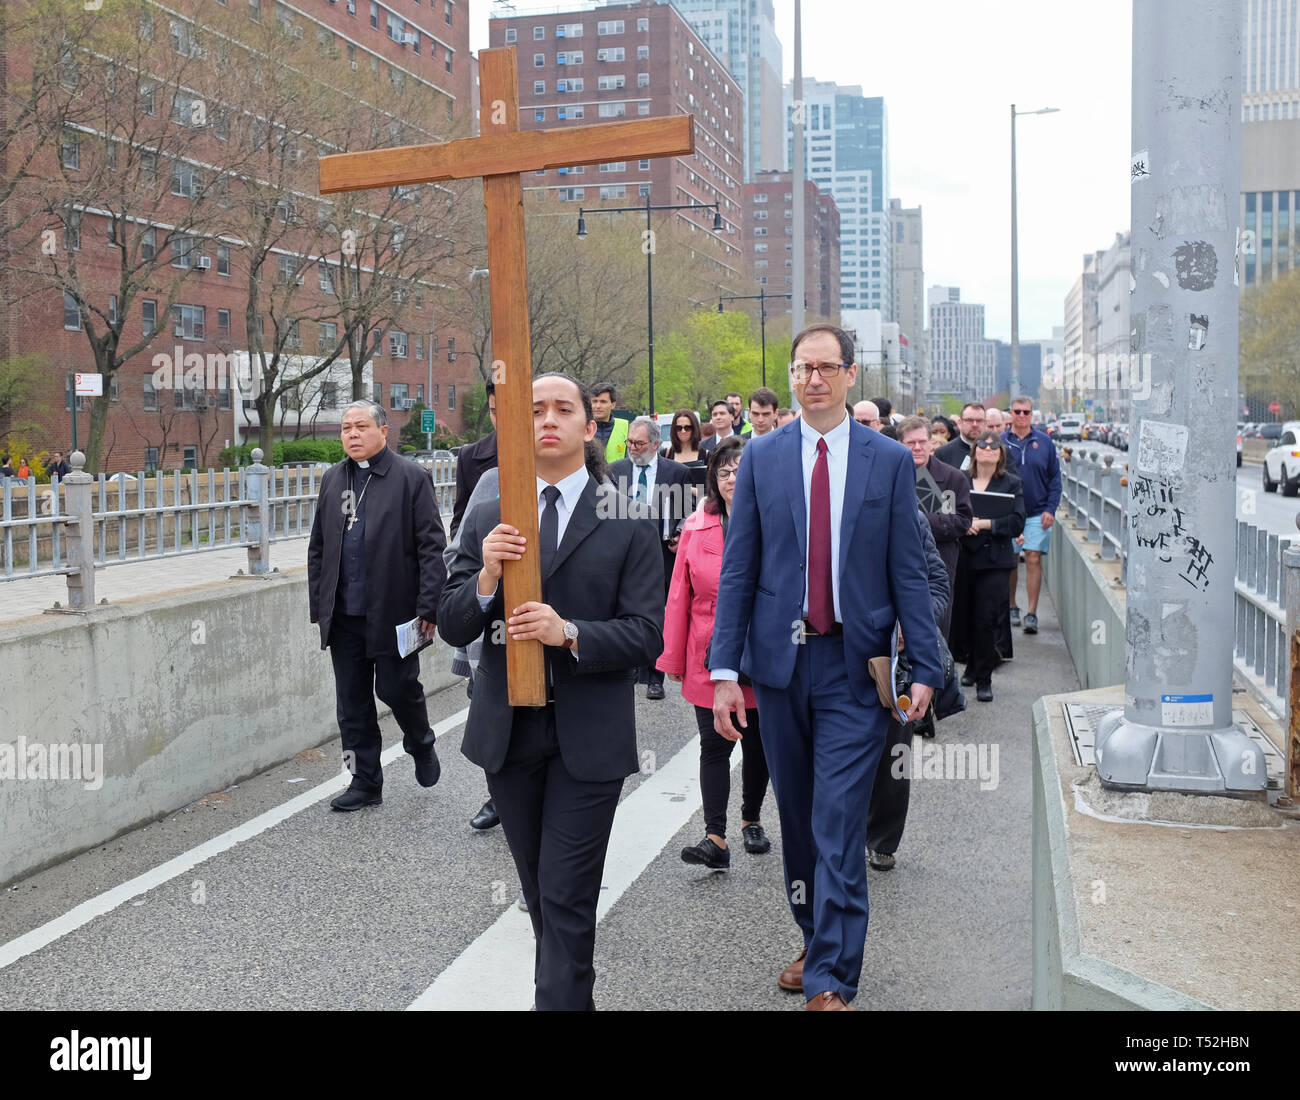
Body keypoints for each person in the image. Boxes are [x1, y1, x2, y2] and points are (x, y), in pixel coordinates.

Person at [710, 324, 941, 1012]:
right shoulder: (762, 458)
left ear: (849, 376)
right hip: (781, 669)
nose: (813, 379)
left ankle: (832, 977)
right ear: (792, 377)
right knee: (803, 819)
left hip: (851, 667)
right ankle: (814, 936)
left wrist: (925, 663)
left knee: (839, 818)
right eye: (802, 368)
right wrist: (725, 669)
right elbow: (740, 568)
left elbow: (908, 570)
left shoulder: (888, 462)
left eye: (826, 368)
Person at [439, 373, 664, 1011]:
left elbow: (647, 635)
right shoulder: (490, 510)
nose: (548, 420)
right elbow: (452, 620)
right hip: (508, 733)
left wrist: (568, 633)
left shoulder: (625, 515)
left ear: (589, 427)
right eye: (534, 410)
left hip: (587, 738)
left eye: (563, 410)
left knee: (566, 896)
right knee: (542, 896)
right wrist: (485, 575)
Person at [307, 401, 446, 811]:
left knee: (397, 688)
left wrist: (429, 609)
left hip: (394, 611)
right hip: (345, 615)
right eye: (346, 428)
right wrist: (321, 606)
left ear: (383, 431)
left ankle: (420, 741)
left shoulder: (411, 478)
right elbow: (319, 547)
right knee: (352, 703)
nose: (352, 434)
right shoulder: (333, 479)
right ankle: (365, 782)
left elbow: (431, 547)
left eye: (361, 426)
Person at [657, 435, 772, 868]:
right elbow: (678, 595)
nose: (731, 479)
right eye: (723, 472)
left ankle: (751, 819)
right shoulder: (696, 525)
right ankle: (715, 836)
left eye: (739, 470)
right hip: (707, 651)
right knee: (714, 743)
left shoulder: (771, 520)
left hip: (757, 652)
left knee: (757, 742)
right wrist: (671, 657)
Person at [866, 504, 951, 872]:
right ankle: (836, 834)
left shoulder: (909, 517)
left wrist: (910, 623)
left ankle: (882, 840)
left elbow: (937, 584)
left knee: (892, 753)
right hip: (839, 653)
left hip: (897, 664)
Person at [608, 416, 693, 700]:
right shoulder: (614, 471)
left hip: (661, 552)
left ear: (655, 444)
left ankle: (655, 676)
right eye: (629, 442)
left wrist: (679, 532)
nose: (632, 447)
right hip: (624, 552)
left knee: (657, 613)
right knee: (626, 610)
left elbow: (684, 514)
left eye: (639, 443)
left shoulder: (676, 473)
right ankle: (630, 668)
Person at [448, 384, 501, 832]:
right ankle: (497, 793)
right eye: (494, 410)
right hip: (490, 614)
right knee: (486, 701)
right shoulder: (481, 470)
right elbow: (459, 538)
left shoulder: (585, 475)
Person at [952, 431, 1025, 702]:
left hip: (995, 561)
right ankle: (970, 665)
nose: (989, 448)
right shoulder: (961, 480)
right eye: (982, 445)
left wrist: (984, 524)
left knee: (986, 618)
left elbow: (1017, 521)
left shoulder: (1011, 483)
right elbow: (947, 510)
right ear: (974, 452)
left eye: (995, 446)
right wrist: (964, 523)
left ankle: (984, 678)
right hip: (964, 558)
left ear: (1001, 454)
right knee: (965, 616)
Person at [896, 415, 971, 639]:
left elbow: (962, 521)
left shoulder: (953, 477)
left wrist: (917, 520)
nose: (918, 448)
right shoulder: (891, 475)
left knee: (937, 630)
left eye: (922, 442)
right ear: (900, 445)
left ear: (931, 442)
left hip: (940, 561)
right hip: (899, 562)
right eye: (911, 443)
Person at [1000, 395, 1060, 635]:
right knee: (1011, 560)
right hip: (1010, 511)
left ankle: (1032, 612)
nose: (1021, 416)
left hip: (1037, 512)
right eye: (1017, 412)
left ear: (1032, 415)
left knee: (1033, 557)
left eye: (1026, 412)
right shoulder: (1001, 442)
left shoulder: (1044, 442)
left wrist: (1050, 509)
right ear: (1011, 414)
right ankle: (1011, 605)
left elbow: (1055, 478)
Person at [934, 403, 986, 471]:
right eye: (969, 420)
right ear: (959, 423)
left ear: (985, 423)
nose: (975, 425)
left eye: (979, 420)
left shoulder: (997, 451)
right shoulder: (943, 453)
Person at [590, 382, 628, 462]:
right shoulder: (582, 428)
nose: (598, 406)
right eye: (594, 401)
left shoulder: (626, 427)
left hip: (618, 474)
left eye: (603, 402)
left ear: (613, 405)